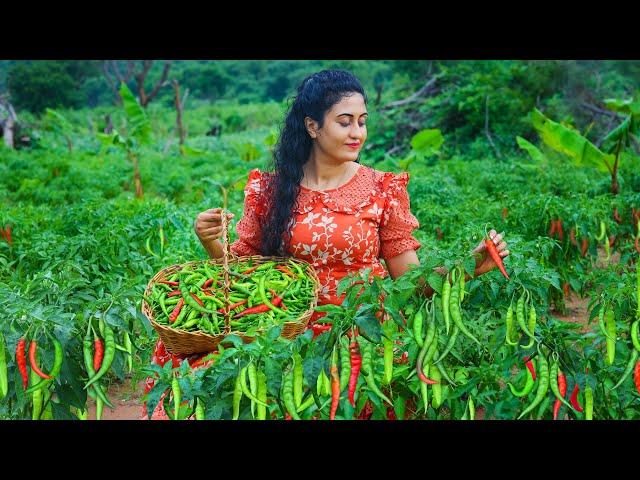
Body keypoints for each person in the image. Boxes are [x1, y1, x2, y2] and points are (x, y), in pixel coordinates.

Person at [142, 69, 509, 419]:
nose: (357, 133)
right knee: (212, 380)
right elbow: (240, 278)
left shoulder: (382, 190)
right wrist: (210, 242)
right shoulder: (270, 190)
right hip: (281, 332)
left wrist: (468, 268)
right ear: (312, 126)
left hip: (357, 330)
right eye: (345, 121)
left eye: (362, 121)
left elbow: (410, 281)